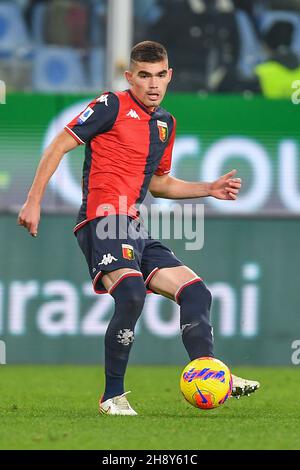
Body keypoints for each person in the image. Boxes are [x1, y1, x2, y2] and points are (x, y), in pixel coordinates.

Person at [18, 41, 259, 416]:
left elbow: (159, 184)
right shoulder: (111, 105)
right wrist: (33, 200)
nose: (152, 84)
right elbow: (59, 145)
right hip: (101, 220)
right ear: (130, 77)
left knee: (196, 292)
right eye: (143, 76)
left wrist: (207, 189)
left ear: (169, 76)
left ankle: (210, 372)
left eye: (160, 75)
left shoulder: (165, 124)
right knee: (131, 292)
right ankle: (112, 396)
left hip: (132, 224)